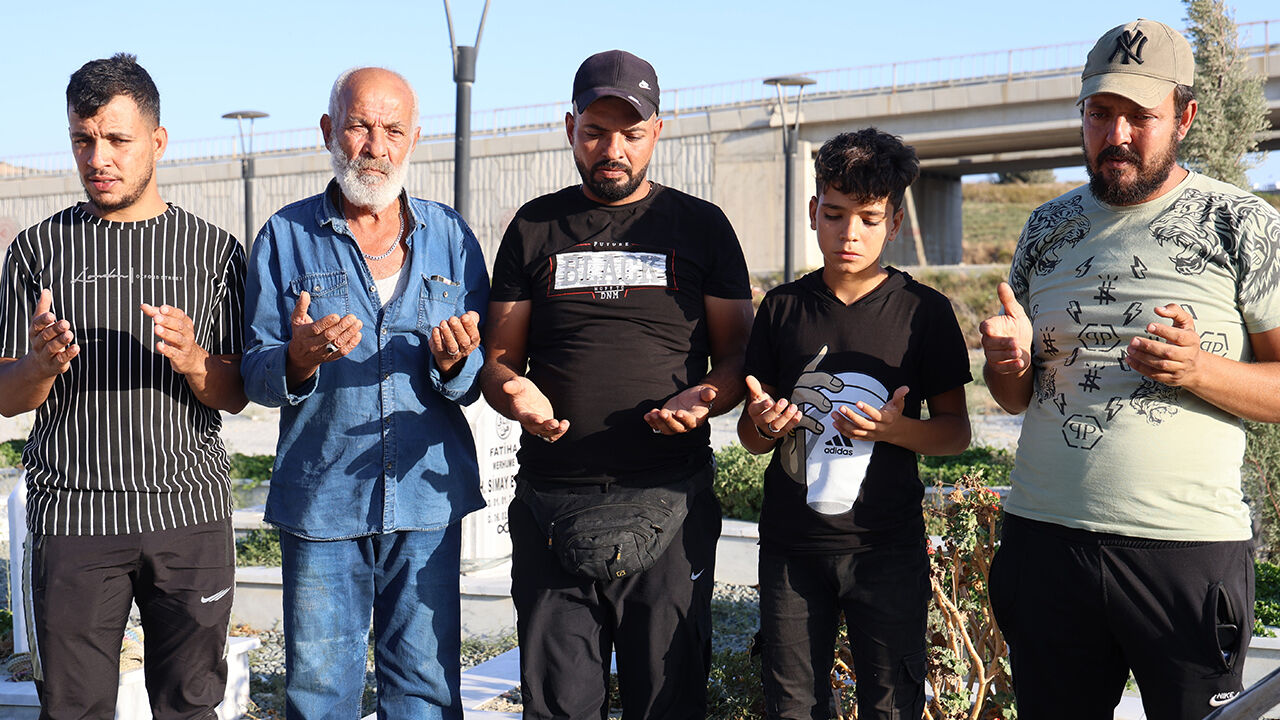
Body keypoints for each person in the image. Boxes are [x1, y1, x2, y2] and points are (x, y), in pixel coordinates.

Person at [981, 18, 1280, 719]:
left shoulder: (1241, 222)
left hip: (1185, 553)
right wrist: (1006, 361)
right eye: (1099, 113)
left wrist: (1198, 369)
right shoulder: (1045, 228)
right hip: (1044, 542)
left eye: (1138, 116)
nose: (1115, 135)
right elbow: (1016, 396)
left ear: (1185, 116)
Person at [481, 49, 754, 720]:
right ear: (568, 127)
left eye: (630, 133)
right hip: (553, 506)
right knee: (558, 708)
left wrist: (706, 399)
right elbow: (497, 364)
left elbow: (741, 360)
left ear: (656, 132)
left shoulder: (701, 227)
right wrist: (515, 394)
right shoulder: (533, 225)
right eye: (596, 131)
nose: (613, 149)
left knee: (668, 702)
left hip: (670, 504)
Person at [0, 53, 247, 719]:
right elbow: (6, 396)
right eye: (83, 140)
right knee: (74, 708)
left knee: (191, 706)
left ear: (158, 141)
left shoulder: (215, 253)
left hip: (187, 517)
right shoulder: (36, 254)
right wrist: (40, 367)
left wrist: (195, 359)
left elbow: (235, 390)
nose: (97, 157)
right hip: (74, 520)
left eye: (116, 139)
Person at [241, 67, 487, 719]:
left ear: (414, 140)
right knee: (320, 693)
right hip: (321, 503)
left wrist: (458, 362)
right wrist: (296, 358)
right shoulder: (284, 237)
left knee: (426, 690)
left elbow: (477, 370)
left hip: (427, 500)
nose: (374, 144)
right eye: (358, 125)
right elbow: (255, 370)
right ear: (330, 130)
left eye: (392, 129)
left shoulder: (452, 239)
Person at [738, 129, 971, 720]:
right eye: (835, 215)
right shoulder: (781, 309)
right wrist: (765, 425)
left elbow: (955, 431)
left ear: (893, 223)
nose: (850, 234)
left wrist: (894, 432)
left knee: (892, 705)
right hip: (792, 547)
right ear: (814, 212)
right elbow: (748, 434)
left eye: (868, 219)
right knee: (792, 705)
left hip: (887, 548)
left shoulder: (926, 311)